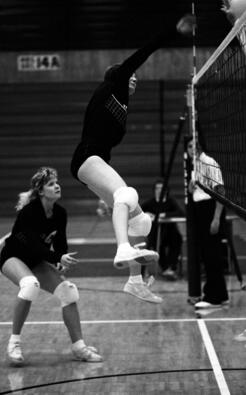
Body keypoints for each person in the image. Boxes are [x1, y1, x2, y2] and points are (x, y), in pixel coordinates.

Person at [70, 14, 196, 300]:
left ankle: (134, 281)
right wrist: (172, 32)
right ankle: (123, 248)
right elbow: (143, 53)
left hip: (95, 163)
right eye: (131, 76)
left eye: (135, 78)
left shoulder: (122, 104)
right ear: (119, 77)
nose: (135, 79)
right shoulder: (111, 88)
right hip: (87, 157)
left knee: (142, 222)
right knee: (126, 194)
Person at [0, 167, 103, 365]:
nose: (57, 186)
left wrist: (61, 260)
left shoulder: (60, 213)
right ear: (40, 191)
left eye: (57, 182)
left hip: (36, 259)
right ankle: (14, 343)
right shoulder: (28, 213)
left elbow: (61, 243)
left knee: (69, 291)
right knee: (30, 285)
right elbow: (34, 246)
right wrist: (56, 258)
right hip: (13, 257)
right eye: (51, 184)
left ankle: (79, 347)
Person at [186, 138, 229, 309]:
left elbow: (221, 191)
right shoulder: (194, 164)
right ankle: (218, 295)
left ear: (200, 146)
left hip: (210, 210)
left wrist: (216, 218)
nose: (191, 149)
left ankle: (214, 297)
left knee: (213, 255)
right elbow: (195, 190)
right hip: (199, 210)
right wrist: (191, 186)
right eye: (189, 146)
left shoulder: (209, 162)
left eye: (194, 146)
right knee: (207, 254)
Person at [141, 179, 184, 280]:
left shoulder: (171, 201)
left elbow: (181, 213)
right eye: (157, 188)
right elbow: (140, 211)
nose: (159, 190)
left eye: (162, 188)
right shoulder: (150, 202)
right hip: (156, 232)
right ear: (154, 190)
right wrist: (148, 214)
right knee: (156, 242)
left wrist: (165, 215)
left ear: (166, 190)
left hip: (170, 231)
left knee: (177, 239)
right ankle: (165, 268)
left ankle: (172, 267)